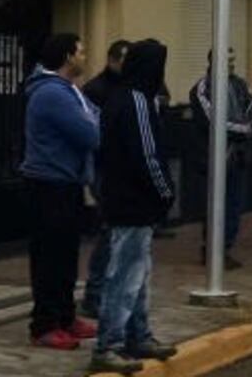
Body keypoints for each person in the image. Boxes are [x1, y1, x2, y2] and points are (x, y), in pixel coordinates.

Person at [90, 40, 177, 374]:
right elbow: (147, 155)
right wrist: (166, 191)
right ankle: (108, 344)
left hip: (122, 198)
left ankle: (138, 335)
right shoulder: (137, 102)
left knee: (137, 274)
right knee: (125, 276)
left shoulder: (119, 98)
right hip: (133, 201)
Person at [19, 33, 100, 349]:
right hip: (48, 184)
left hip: (68, 183)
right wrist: (92, 121)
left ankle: (66, 315)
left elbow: (96, 118)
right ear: (67, 57)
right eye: (80, 51)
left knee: (66, 255)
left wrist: (93, 119)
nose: (84, 56)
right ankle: (45, 324)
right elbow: (90, 133)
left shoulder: (69, 91)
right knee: (49, 257)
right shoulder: (51, 94)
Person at [189, 48, 252, 269]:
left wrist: (249, 125)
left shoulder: (240, 85)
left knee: (234, 205)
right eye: (226, 60)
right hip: (214, 158)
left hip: (239, 158)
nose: (230, 64)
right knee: (214, 207)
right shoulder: (203, 88)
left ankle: (226, 248)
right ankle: (211, 250)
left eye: (232, 59)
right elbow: (212, 119)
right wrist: (241, 129)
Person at [81, 39, 131, 319]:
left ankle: (107, 292)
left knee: (119, 234)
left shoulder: (131, 88)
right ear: (112, 60)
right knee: (110, 231)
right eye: (125, 60)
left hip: (121, 168)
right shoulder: (96, 90)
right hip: (103, 168)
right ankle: (94, 294)